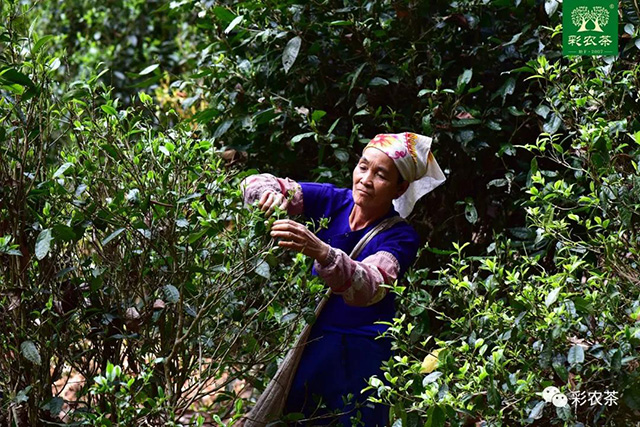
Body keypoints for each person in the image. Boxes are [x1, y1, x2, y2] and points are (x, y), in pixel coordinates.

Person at [241, 132, 446, 426]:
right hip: (315, 345)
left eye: (381, 175)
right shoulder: (333, 200)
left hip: (361, 356)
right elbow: (256, 182)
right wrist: (269, 197)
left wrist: (322, 252)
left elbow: (372, 285)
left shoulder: (400, 236)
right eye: (363, 167)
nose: (366, 179)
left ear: (399, 189)